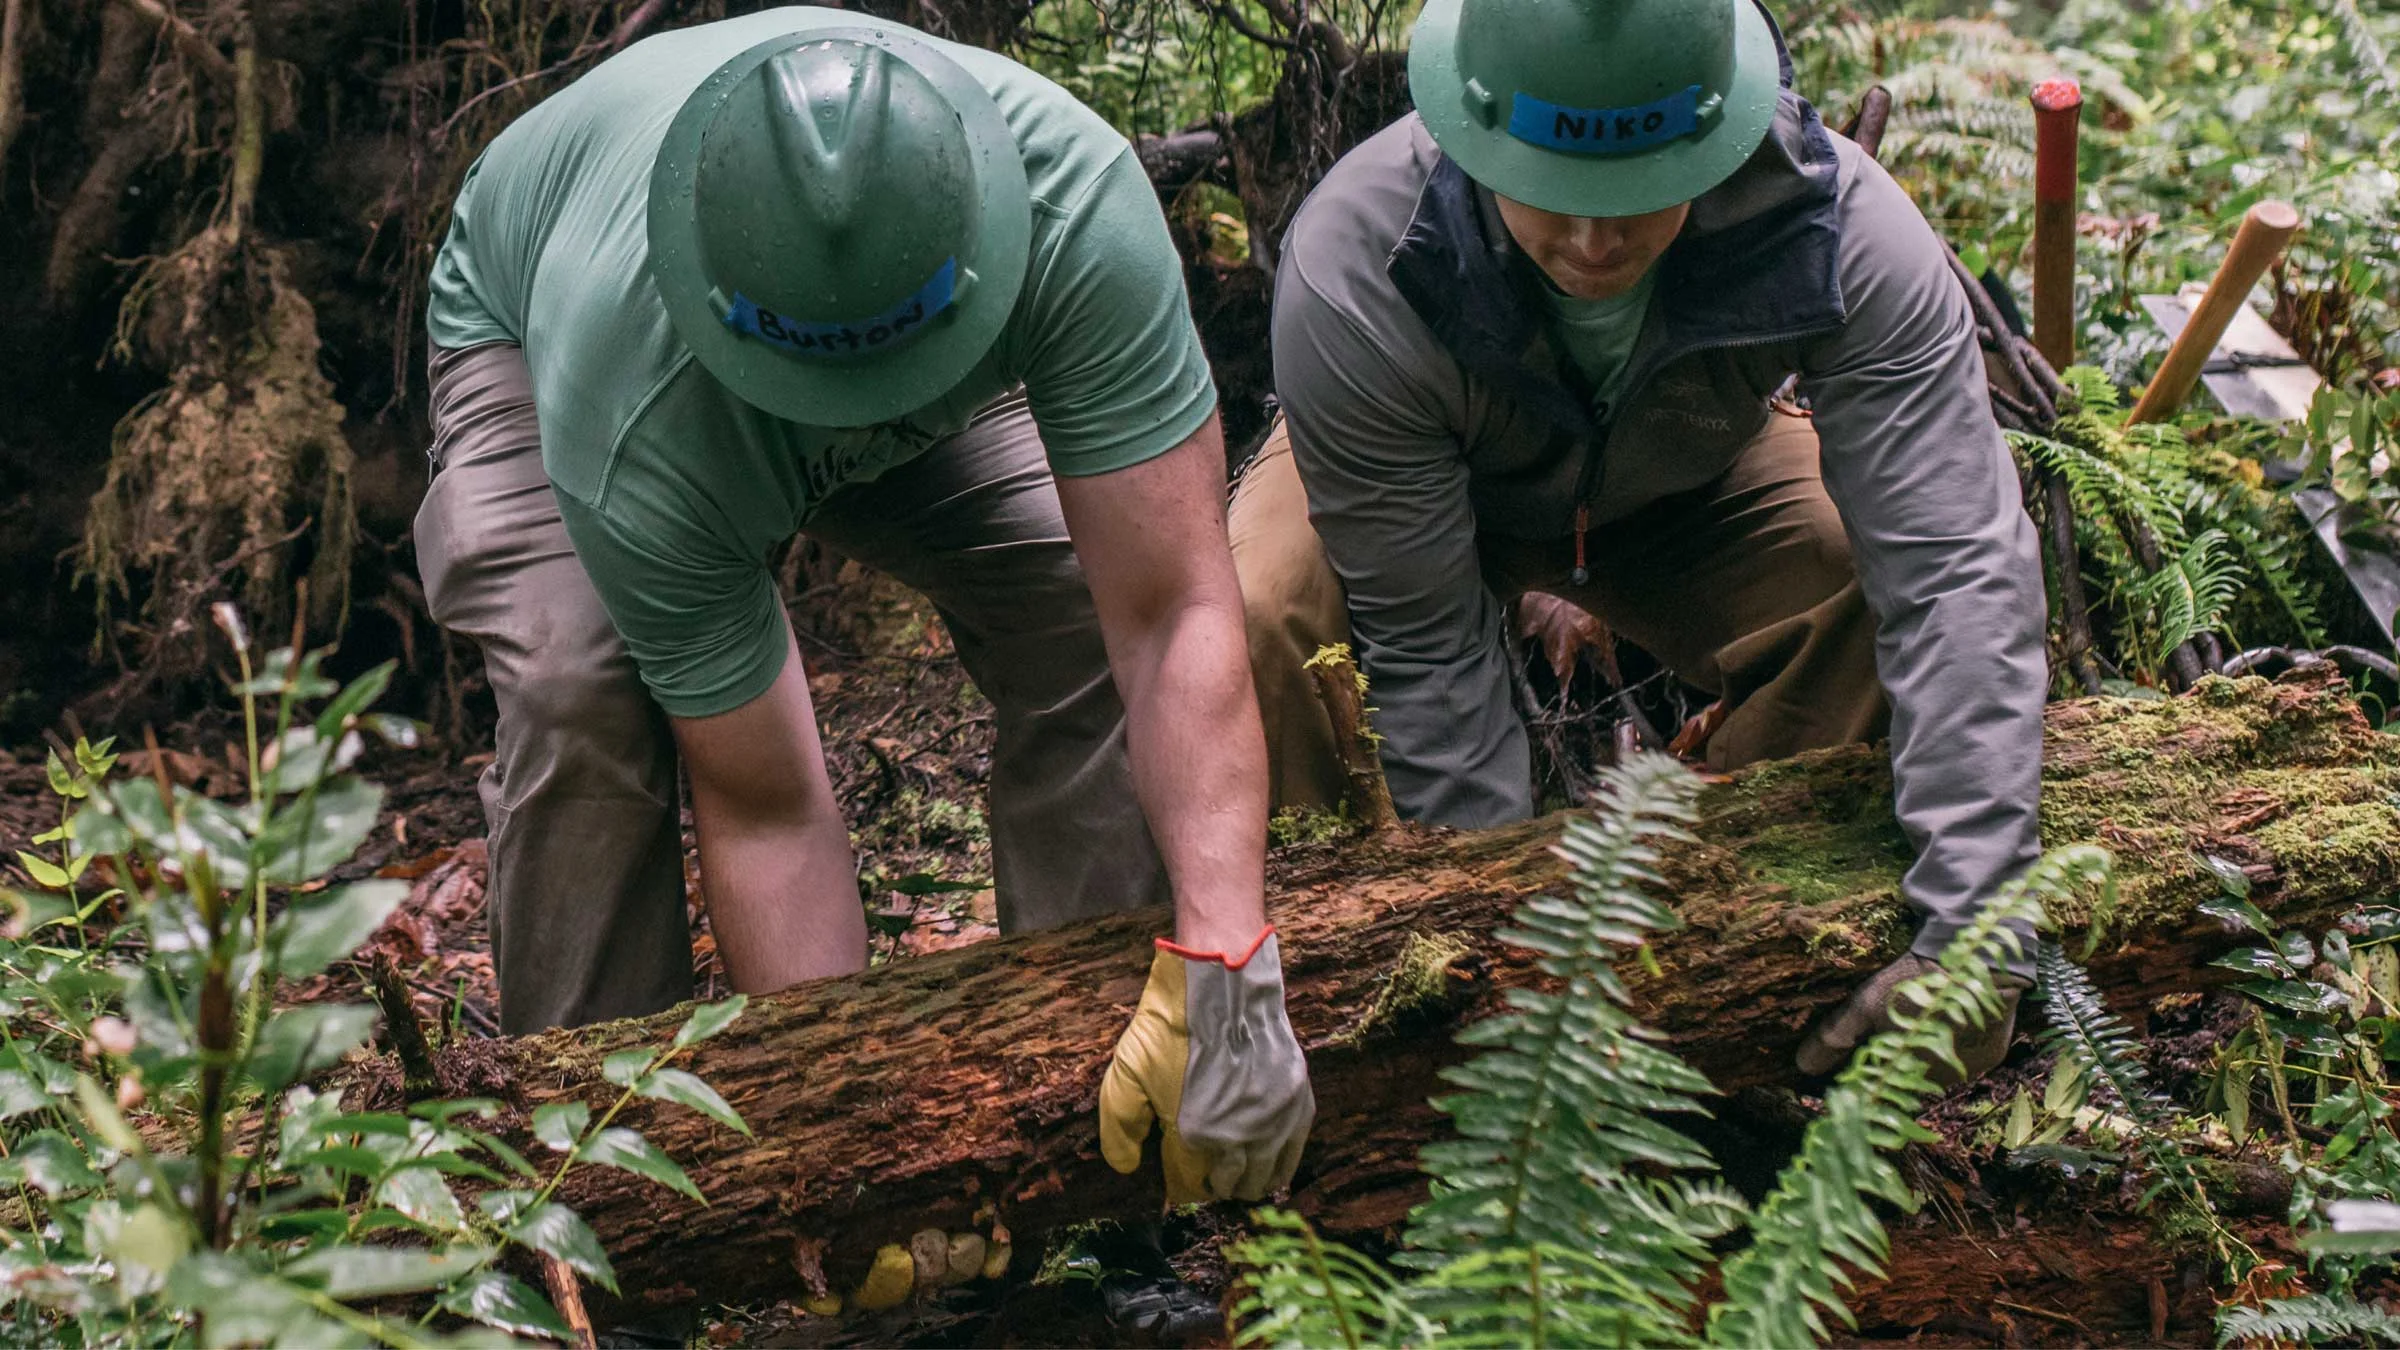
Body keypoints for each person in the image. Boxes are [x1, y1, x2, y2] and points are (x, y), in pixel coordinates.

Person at [416, 7, 1311, 1201]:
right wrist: (859, 1150)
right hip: (555, 344)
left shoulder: (1071, 206)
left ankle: (1092, 1117)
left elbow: (1171, 615)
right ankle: (596, 1187)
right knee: (583, 691)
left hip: (920, 323)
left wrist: (1228, 962)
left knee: (1075, 600)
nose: (855, 417)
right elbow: (767, 806)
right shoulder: (630, 394)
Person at [1231, 0, 2046, 1078]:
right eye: (1556, 193)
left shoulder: (1839, 229)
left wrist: (1981, 938)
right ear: (1476, 132)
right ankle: (1329, 1007)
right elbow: (1430, 656)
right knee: (1261, 618)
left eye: (1641, 191)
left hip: (1685, 474)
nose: (1595, 240)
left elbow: (1956, 570)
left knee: (1847, 573)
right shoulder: (1361, 261)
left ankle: (1729, 957)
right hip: (1424, 483)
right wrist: (1490, 974)